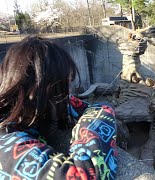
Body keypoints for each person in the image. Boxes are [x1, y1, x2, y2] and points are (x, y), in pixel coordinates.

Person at [0, 36, 117, 179]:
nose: (68, 93)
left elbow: (72, 105)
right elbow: (84, 175)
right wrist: (103, 113)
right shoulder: (10, 147)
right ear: (46, 91)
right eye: (64, 87)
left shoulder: (17, 111)